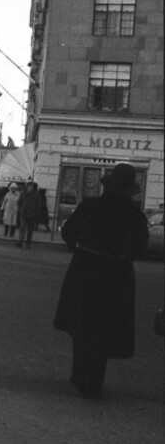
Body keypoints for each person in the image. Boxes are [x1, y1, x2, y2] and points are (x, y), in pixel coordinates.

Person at [53, 163, 148, 399]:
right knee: (106, 327)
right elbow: (140, 245)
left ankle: (78, 372)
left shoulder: (90, 206)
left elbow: (68, 232)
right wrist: (124, 256)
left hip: (86, 268)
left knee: (82, 321)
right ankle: (94, 381)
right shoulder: (135, 215)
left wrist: (79, 249)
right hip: (116, 274)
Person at [16, 180, 41, 248]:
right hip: (23, 213)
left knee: (30, 229)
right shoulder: (23, 193)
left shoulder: (36, 194)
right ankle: (20, 241)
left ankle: (28, 243)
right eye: (29, 186)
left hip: (32, 215)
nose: (30, 188)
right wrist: (20, 210)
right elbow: (19, 202)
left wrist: (35, 212)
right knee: (22, 227)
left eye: (31, 187)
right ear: (27, 187)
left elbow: (38, 205)